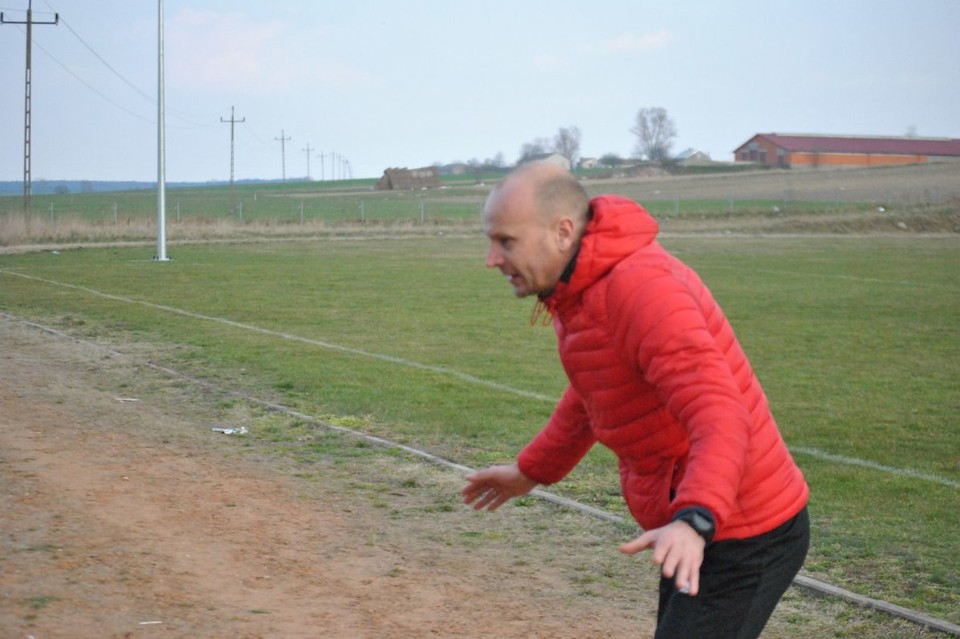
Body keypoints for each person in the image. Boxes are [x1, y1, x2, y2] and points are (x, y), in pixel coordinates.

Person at [462, 161, 810, 639]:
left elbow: (722, 414)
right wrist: (530, 472)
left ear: (563, 231)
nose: (491, 258)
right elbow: (593, 393)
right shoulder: (580, 291)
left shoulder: (639, 288)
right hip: (693, 521)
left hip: (744, 525)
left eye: (506, 241)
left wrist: (695, 520)